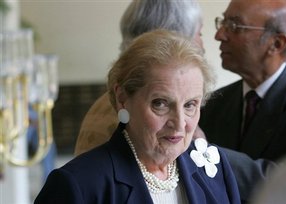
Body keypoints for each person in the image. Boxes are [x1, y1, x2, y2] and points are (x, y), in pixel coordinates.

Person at [34, 30, 240, 204]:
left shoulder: (214, 167)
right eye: (160, 104)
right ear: (123, 98)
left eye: (190, 105)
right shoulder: (78, 184)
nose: (179, 123)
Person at [199, 0, 286, 202]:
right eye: (222, 23)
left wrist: (206, 152)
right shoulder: (213, 104)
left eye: (235, 26)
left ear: (276, 43)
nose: (219, 35)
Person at [74, 0, 204, 156]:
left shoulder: (108, 102)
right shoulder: (132, 117)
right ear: (172, 40)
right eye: (199, 33)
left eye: (189, 105)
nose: (202, 45)